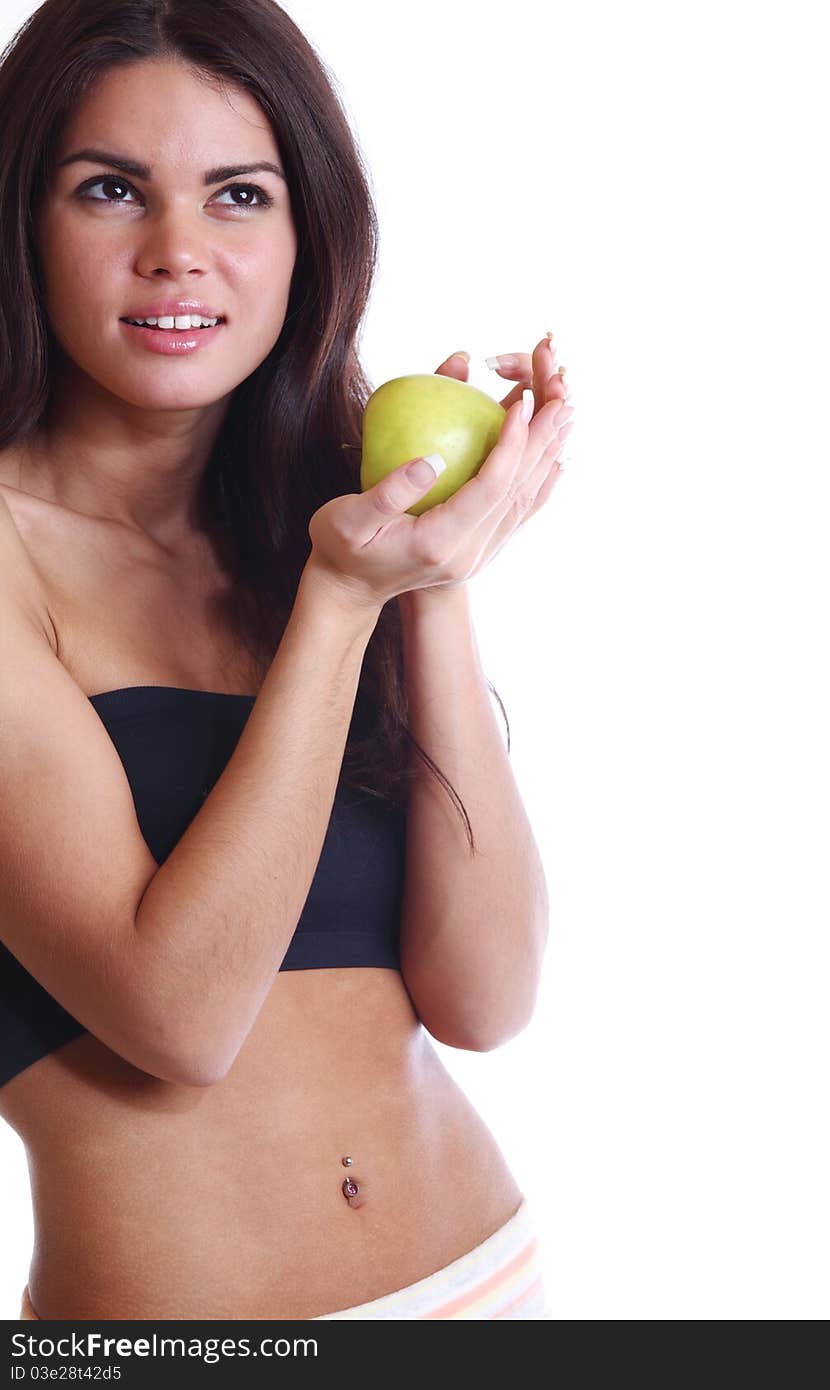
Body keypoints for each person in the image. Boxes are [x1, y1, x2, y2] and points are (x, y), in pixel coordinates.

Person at [0, 0, 572, 1322]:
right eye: (109, 191)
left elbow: (486, 995)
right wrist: (341, 598)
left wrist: (428, 580)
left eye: (239, 195)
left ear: (308, 235)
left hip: (490, 1284)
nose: (178, 254)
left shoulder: (309, 528)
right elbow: (176, 1017)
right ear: (26, 221)